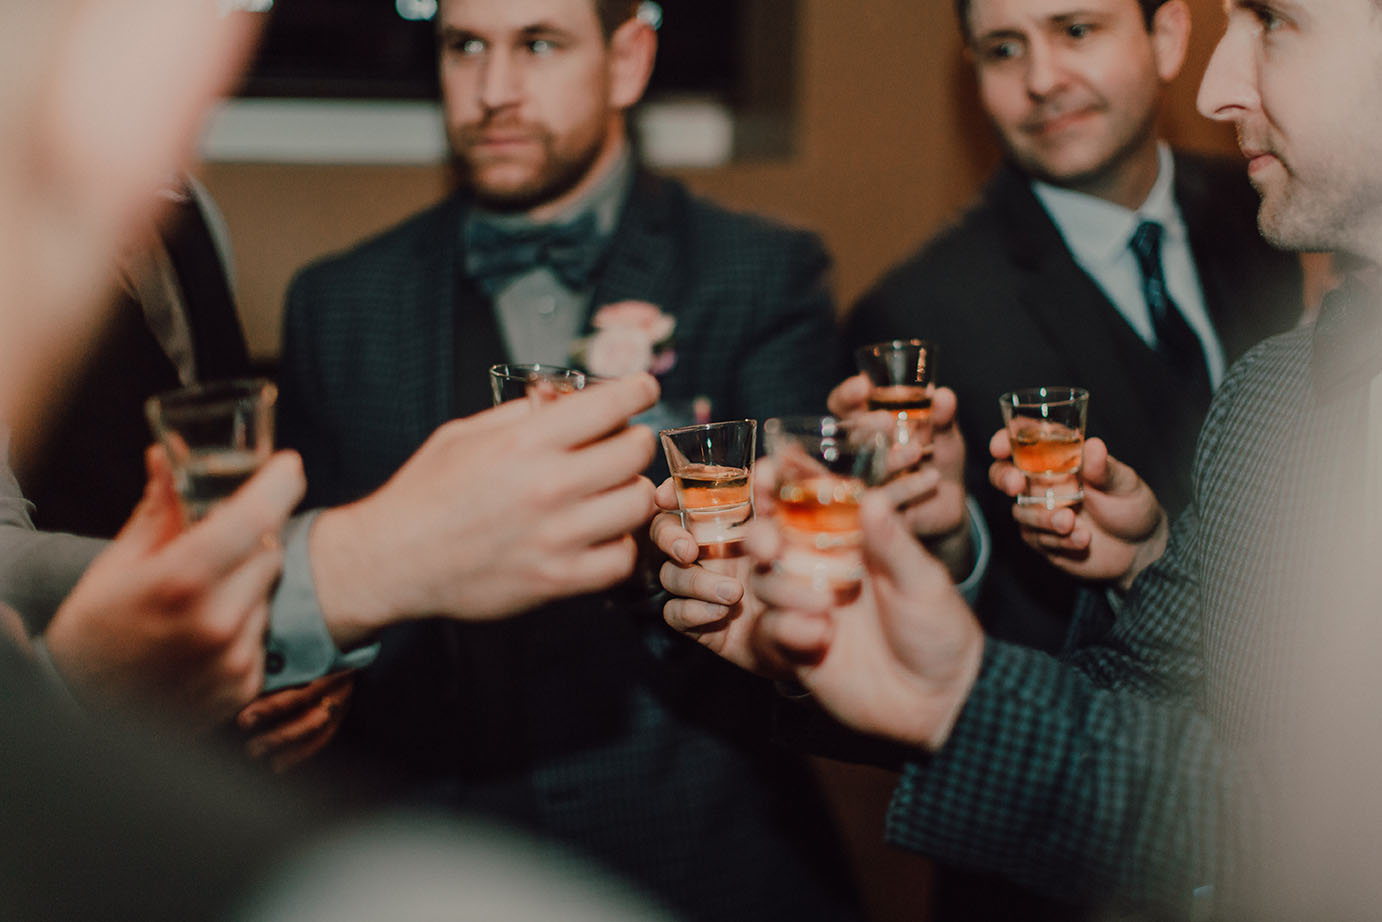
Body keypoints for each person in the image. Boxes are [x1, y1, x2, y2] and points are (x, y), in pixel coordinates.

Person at [655, 0, 1382, 915]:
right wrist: (896, 656)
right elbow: (1169, 731)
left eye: (1274, 21)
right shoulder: (1275, 389)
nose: (1217, 86)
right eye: (1005, 48)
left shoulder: (1257, 226)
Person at [275, 0, 860, 918]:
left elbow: (819, 584)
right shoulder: (336, 304)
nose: (493, 92)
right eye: (466, 47)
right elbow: (318, 600)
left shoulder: (760, 273)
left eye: (538, 44)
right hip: (425, 860)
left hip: (700, 855)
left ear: (627, 61)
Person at [842, 0, 1304, 657]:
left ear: (1167, 38)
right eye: (1004, 49)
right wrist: (949, 543)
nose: (1041, 79)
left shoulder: (1275, 209)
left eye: (1076, 30)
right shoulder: (920, 314)